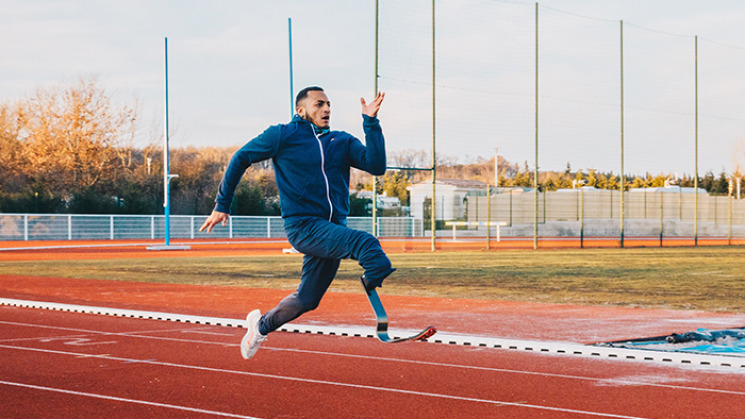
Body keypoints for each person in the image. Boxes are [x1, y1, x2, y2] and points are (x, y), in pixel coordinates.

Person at [199, 86, 395, 360]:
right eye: (319, 104)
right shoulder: (282, 135)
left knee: (307, 300)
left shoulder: (341, 141)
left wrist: (371, 122)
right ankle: (372, 277)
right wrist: (222, 205)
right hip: (303, 226)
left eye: (329, 104)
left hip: (333, 228)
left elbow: (377, 166)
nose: (327, 109)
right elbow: (240, 157)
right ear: (300, 110)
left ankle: (260, 326)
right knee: (365, 244)